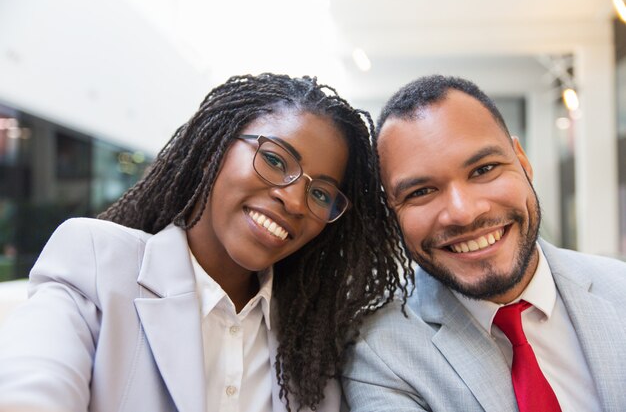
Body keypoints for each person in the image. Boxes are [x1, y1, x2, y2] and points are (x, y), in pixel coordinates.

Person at [0, 73, 410, 412]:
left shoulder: (315, 338)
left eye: (321, 194)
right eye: (274, 160)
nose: (294, 200)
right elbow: (29, 389)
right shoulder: (95, 260)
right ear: (216, 147)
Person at [342, 75, 626, 412]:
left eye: (484, 169)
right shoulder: (379, 352)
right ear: (391, 211)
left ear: (522, 161)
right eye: (420, 192)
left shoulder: (618, 288)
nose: (463, 213)